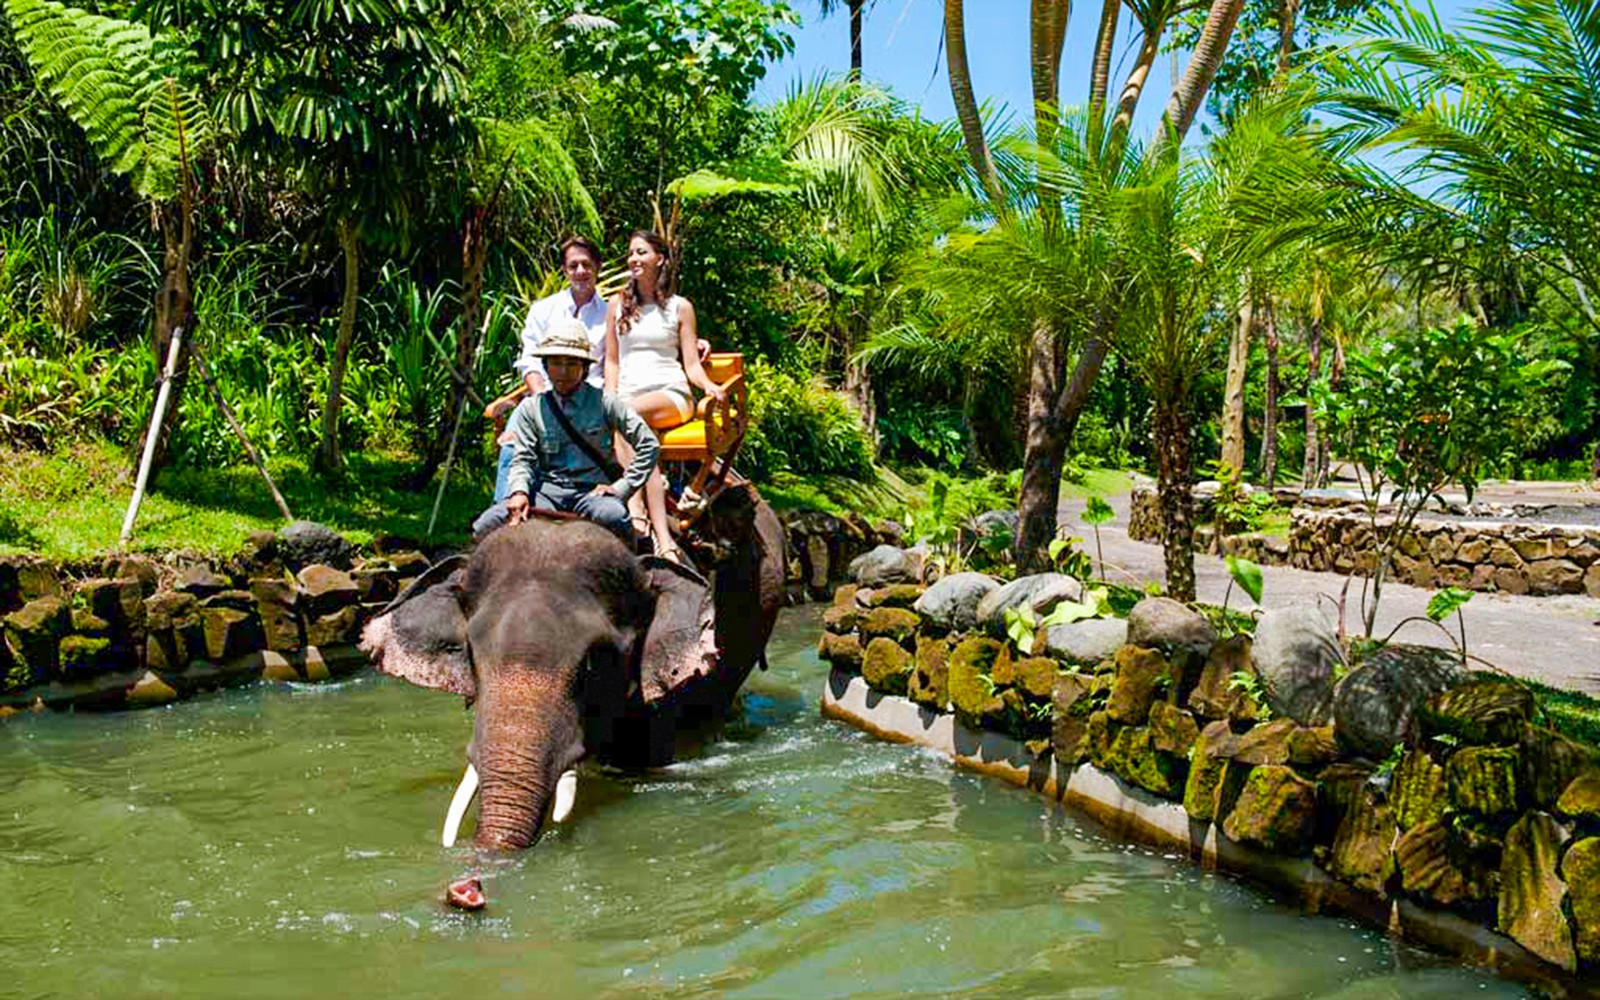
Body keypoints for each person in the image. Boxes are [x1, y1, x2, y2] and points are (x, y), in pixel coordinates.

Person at [472, 318, 660, 542]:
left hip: (593, 492)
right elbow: (522, 459)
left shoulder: (606, 403)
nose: (563, 371)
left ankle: (634, 572)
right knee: (486, 525)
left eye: (572, 363)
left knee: (615, 518)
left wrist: (622, 488)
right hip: (545, 492)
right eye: (556, 363)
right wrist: (520, 492)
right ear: (545, 366)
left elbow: (649, 444)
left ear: (584, 367)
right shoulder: (531, 409)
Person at [604, 231, 726, 562]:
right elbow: (612, 360)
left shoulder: (680, 308)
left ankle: (636, 508)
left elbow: (690, 364)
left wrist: (709, 387)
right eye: (630, 253)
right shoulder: (617, 304)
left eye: (641, 252)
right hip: (629, 400)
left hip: (670, 395)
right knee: (627, 421)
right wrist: (608, 397)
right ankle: (662, 538)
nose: (633, 259)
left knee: (626, 414)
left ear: (660, 259)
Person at [492, 236, 607, 502]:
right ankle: (504, 509)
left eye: (586, 265)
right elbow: (530, 362)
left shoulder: (611, 313)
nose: (580, 271)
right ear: (564, 271)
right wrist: (545, 399)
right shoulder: (543, 310)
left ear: (597, 267)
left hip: (590, 401)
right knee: (512, 440)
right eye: (573, 265)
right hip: (543, 396)